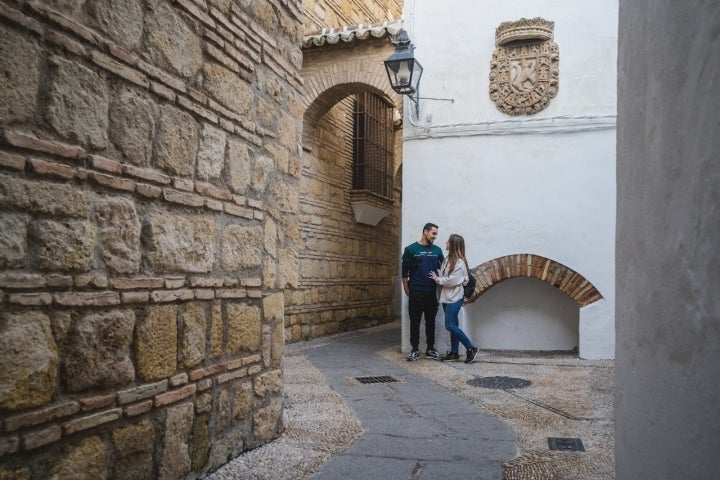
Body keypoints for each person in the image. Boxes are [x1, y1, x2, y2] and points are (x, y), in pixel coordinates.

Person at [429, 233, 479, 364]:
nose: (446, 243)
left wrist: (437, 279)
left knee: (450, 325)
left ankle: (471, 348)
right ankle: (454, 353)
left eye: (448, 242)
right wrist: (438, 275)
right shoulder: (448, 259)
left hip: (455, 297)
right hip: (447, 297)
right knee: (454, 325)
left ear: (453, 245)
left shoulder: (460, 262)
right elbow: (445, 275)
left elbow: (452, 281)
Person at [401, 223, 444, 361]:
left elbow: (443, 271)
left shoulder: (437, 251)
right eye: (434, 233)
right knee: (415, 321)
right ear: (426, 232)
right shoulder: (411, 249)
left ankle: (430, 348)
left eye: (436, 234)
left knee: (431, 322)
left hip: (431, 292)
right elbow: (404, 271)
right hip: (416, 291)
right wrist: (407, 288)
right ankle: (414, 349)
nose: (435, 236)